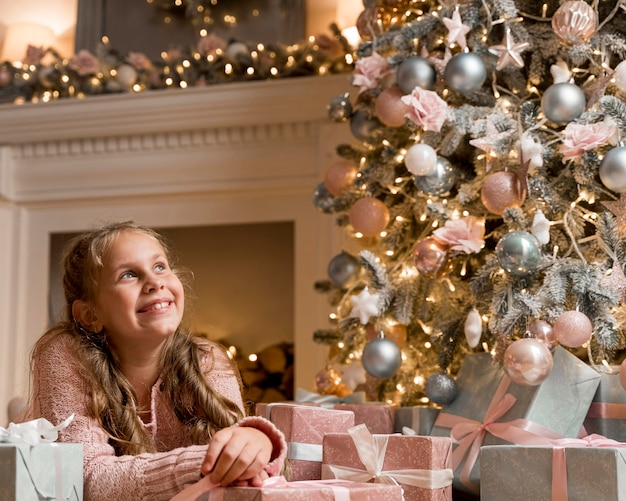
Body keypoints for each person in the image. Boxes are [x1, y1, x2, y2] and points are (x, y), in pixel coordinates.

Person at [24, 221, 286, 500]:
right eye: (128, 274)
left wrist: (259, 443)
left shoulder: (207, 359)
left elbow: (246, 468)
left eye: (160, 266)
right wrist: (209, 462)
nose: (155, 282)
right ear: (90, 315)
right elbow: (86, 477)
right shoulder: (64, 352)